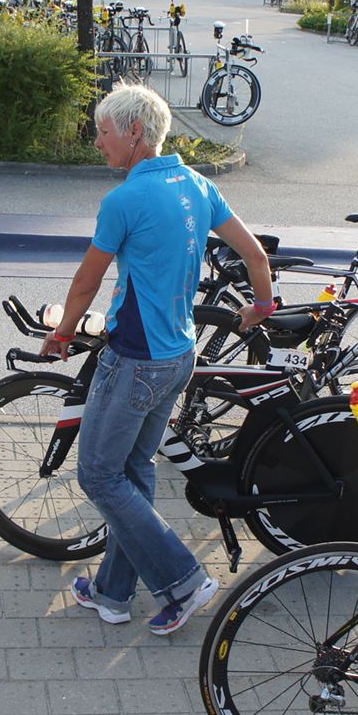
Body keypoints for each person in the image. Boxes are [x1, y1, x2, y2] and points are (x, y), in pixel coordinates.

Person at [44, 84, 274, 635]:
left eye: (103, 131)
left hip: (135, 360)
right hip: (179, 356)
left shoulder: (123, 201)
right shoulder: (198, 184)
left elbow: (86, 282)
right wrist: (261, 305)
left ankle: (184, 581)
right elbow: (254, 254)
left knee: (99, 475)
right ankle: (113, 594)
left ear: (134, 133)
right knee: (134, 470)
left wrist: (63, 332)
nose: (97, 141)